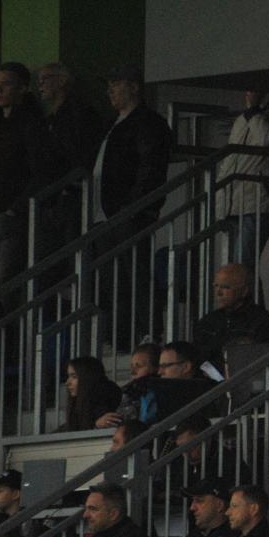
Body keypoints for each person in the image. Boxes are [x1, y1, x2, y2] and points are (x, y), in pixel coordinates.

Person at [95, 64, 173, 342]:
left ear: (134, 87)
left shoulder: (147, 123)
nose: (110, 92)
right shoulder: (112, 124)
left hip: (128, 212)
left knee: (135, 275)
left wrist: (134, 206)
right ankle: (121, 335)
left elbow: (150, 168)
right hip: (107, 213)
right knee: (113, 279)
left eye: (116, 85)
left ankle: (147, 332)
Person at [0, 61, 51, 313]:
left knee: (6, 281)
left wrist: (15, 208)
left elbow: (40, 169)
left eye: (6, 84)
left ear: (22, 88)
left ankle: (9, 331)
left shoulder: (30, 123)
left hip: (11, 214)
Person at [215, 91, 269, 269]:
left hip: (258, 201)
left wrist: (254, 110)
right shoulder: (244, 116)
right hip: (233, 202)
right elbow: (230, 157)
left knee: (243, 265)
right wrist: (220, 199)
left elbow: (268, 141)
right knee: (235, 268)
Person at [36, 62, 103, 266]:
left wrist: (71, 183)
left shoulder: (80, 116)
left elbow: (83, 154)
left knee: (72, 256)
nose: (40, 85)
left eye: (45, 79)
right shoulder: (51, 120)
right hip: (54, 197)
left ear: (62, 80)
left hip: (72, 195)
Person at [192, 263, 269, 368]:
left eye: (225, 287)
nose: (218, 292)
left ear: (244, 291)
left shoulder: (263, 322)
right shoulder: (208, 322)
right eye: (216, 286)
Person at [61, 356, 123, 431]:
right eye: (68, 376)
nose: (67, 383)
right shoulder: (77, 407)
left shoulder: (108, 401)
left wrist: (96, 426)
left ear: (88, 378)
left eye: (74, 377)